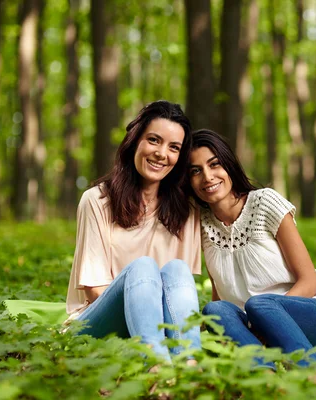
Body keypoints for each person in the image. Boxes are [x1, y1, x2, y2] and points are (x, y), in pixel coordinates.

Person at [187, 129, 316, 369]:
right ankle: (265, 377)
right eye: (195, 171)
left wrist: (263, 318)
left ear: (229, 165)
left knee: (258, 303)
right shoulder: (201, 226)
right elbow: (220, 294)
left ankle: (315, 376)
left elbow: (309, 281)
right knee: (214, 309)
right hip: (257, 328)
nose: (208, 177)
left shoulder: (265, 202)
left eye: (215, 164)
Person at [65, 101, 201, 364]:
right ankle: (157, 365)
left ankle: (189, 364)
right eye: (154, 140)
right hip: (99, 321)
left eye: (174, 148)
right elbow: (94, 291)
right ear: (135, 140)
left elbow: (179, 291)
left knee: (178, 270)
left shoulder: (187, 210)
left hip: (158, 322)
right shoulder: (96, 201)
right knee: (143, 268)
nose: (162, 153)